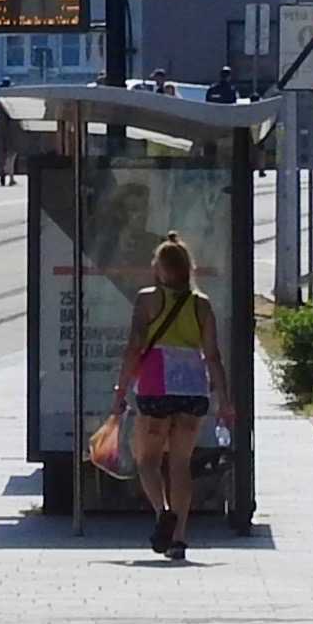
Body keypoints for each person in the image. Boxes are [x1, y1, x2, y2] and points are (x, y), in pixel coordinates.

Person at [111, 232, 233, 561]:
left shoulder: (147, 299)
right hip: (193, 388)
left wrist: (121, 388)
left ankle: (162, 511)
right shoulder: (202, 304)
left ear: (160, 268)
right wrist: (224, 401)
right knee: (180, 464)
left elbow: (135, 346)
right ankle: (178, 539)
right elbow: (213, 356)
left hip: (155, 388)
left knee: (148, 461)